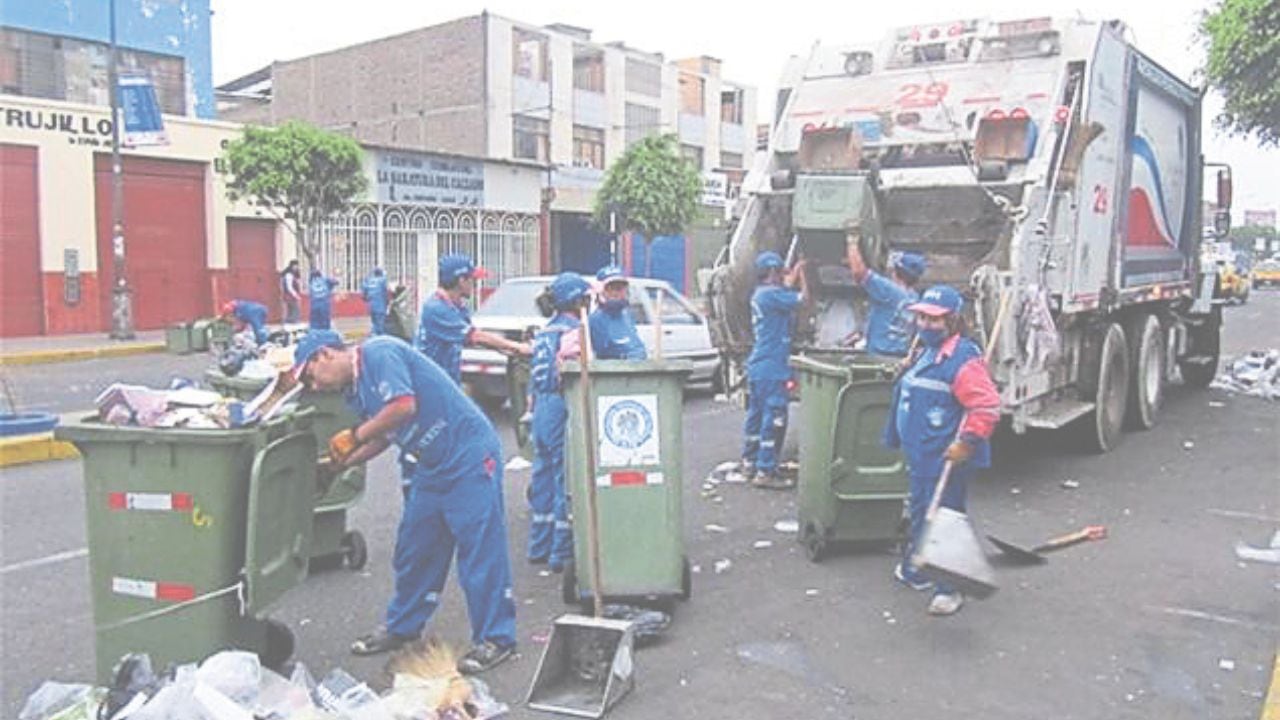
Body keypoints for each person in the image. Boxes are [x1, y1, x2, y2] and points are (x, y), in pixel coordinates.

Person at [293, 329, 518, 672]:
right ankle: (403, 627)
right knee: (416, 547)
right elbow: (385, 433)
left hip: (468, 454)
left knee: (479, 548)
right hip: (431, 463)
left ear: (324, 354)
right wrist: (339, 465)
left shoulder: (379, 354)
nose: (317, 386)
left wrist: (354, 435)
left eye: (312, 375)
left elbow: (402, 406)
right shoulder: (354, 391)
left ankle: (496, 638)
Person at [884, 285, 1000, 617]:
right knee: (921, 511)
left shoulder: (962, 360)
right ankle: (917, 568)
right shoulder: (925, 352)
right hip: (922, 455)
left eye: (934, 320)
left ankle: (950, 589)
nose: (925, 324)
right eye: (921, 317)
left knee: (943, 518)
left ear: (952, 321)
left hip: (945, 458)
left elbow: (987, 406)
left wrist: (967, 443)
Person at [526, 273, 591, 571]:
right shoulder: (575, 332)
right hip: (561, 402)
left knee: (542, 476)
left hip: (541, 407)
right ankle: (560, 552)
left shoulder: (545, 331)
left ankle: (538, 545)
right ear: (577, 300)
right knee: (565, 477)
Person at [741, 251, 809, 490]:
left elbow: (784, 295)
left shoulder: (762, 295)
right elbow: (803, 299)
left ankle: (750, 461)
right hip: (773, 367)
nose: (783, 275)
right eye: (780, 271)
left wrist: (790, 277)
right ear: (772, 272)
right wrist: (801, 273)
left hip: (759, 366)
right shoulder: (773, 295)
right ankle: (765, 470)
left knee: (756, 417)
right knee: (775, 419)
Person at [415, 254, 529, 384]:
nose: (475, 285)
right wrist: (517, 346)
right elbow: (475, 336)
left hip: (447, 378)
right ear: (461, 281)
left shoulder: (456, 306)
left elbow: (473, 340)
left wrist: (507, 350)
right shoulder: (437, 308)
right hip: (430, 382)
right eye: (472, 280)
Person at [845, 239, 926, 357]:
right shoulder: (915, 298)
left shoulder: (889, 290)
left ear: (896, 271)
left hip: (879, 356)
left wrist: (852, 242)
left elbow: (858, 272)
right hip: (900, 357)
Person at [588, 265, 647, 360]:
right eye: (610, 288)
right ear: (600, 291)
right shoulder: (595, 320)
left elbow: (636, 346)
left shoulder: (626, 315)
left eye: (619, 288)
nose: (615, 293)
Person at [361, 267, 390, 335]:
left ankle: (374, 335)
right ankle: (380, 337)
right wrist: (387, 301)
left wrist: (367, 298)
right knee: (380, 323)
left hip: (371, 305)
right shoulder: (382, 280)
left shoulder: (369, 280)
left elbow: (364, 293)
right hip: (380, 305)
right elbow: (385, 291)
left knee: (374, 322)